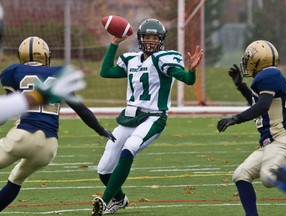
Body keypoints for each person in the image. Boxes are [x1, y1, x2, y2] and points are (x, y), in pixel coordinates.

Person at [91, 18, 203, 216]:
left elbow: (186, 79)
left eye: (155, 37)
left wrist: (191, 71)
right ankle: (120, 200)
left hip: (154, 117)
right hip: (130, 117)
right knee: (104, 169)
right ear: (140, 39)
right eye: (147, 37)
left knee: (129, 148)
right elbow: (105, 72)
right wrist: (114, 43)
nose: (151, 41)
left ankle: (104, 200)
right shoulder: (131, 59)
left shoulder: (164, 59)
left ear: (161, 40)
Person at [0, 36, 116, 212]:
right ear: (46, 55)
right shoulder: (59, 73)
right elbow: (81, 109)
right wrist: (100, 130)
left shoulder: (13, 71)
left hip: (22, 135)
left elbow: (5, 113)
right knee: (16, 178)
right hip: (49, 147)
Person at [217, 40, 286, 216]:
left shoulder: (268, 75)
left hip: (282, 139)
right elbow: (259, 104)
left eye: (249, 58)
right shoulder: (270, 77)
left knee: (269, 176)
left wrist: (236, 118)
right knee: (241, 175)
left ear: (258, 59)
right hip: (271, 142)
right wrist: (241, 87)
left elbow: (262, 106)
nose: (246, 62)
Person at [0, 65, 85, 124]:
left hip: (22, 130)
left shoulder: (15, 70)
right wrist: (40, 95)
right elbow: (81, 109)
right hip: (51, 136)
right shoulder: (56, 73)